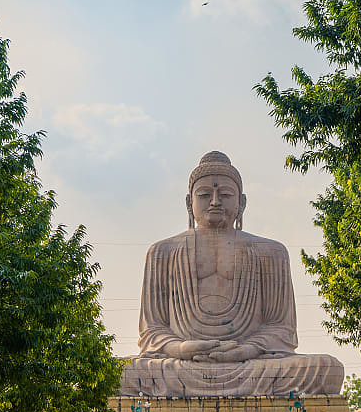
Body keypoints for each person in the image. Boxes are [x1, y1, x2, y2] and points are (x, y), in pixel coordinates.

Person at [116, 151, 344, 396]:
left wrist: (246, 350)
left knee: (327, 370)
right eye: (204, 195)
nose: (215, 201)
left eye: (225, 195)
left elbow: (281, 328)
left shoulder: (271, 251)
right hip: (182, 365)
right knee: (115, 372)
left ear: (242, 203)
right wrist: (182, 348)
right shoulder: (162, 252)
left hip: (251, 365)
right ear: (188, 202)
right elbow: (152, 331)